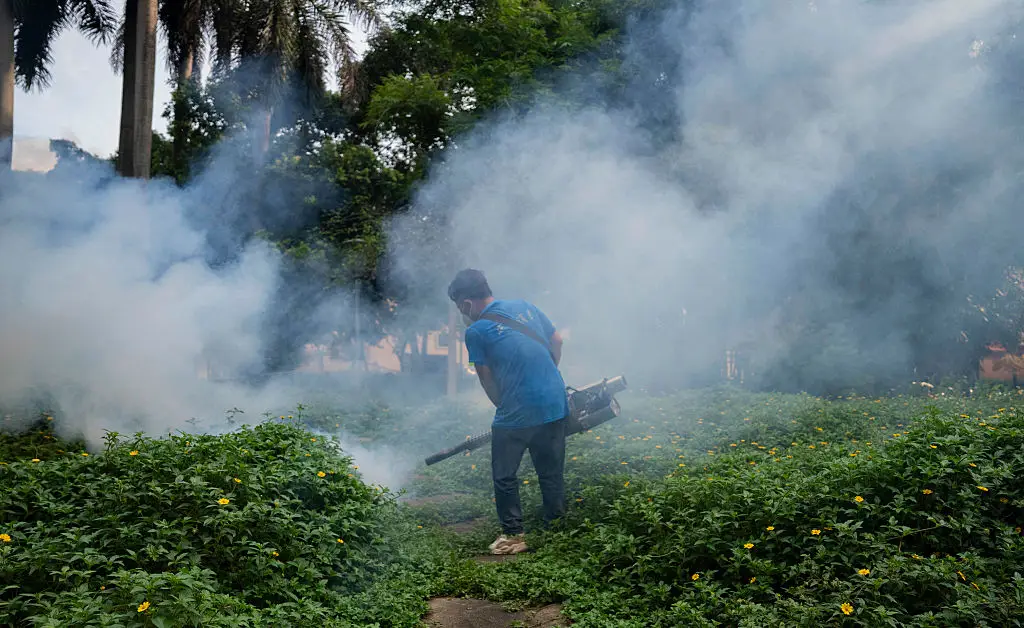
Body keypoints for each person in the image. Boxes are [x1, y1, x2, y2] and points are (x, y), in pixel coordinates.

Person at [447, 268, 569, 555]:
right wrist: (546, 376)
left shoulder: (475, 331)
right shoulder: (525, 306)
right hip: (555, 400)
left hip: (517, 410)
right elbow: (557, 340)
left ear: (466, 303)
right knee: (550, 471)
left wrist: (502, 405)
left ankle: (514, 535)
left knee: (504, 475)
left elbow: (484, 375)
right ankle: (557, 530)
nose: (462, 313)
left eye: (459, 307)